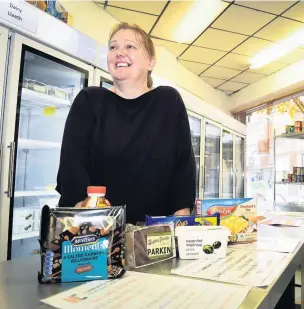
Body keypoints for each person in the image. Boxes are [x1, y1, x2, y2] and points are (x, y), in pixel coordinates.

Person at [56, 22, 196, 224]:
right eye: (113, 47)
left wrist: (181, 222)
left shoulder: (168, 101)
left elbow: (183, 166)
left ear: (150, 62)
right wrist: (85, 225)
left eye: (130, 46)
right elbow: (72, 166)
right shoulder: (89, 100)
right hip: (100, 234)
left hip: (156, 234)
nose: (119, 53)